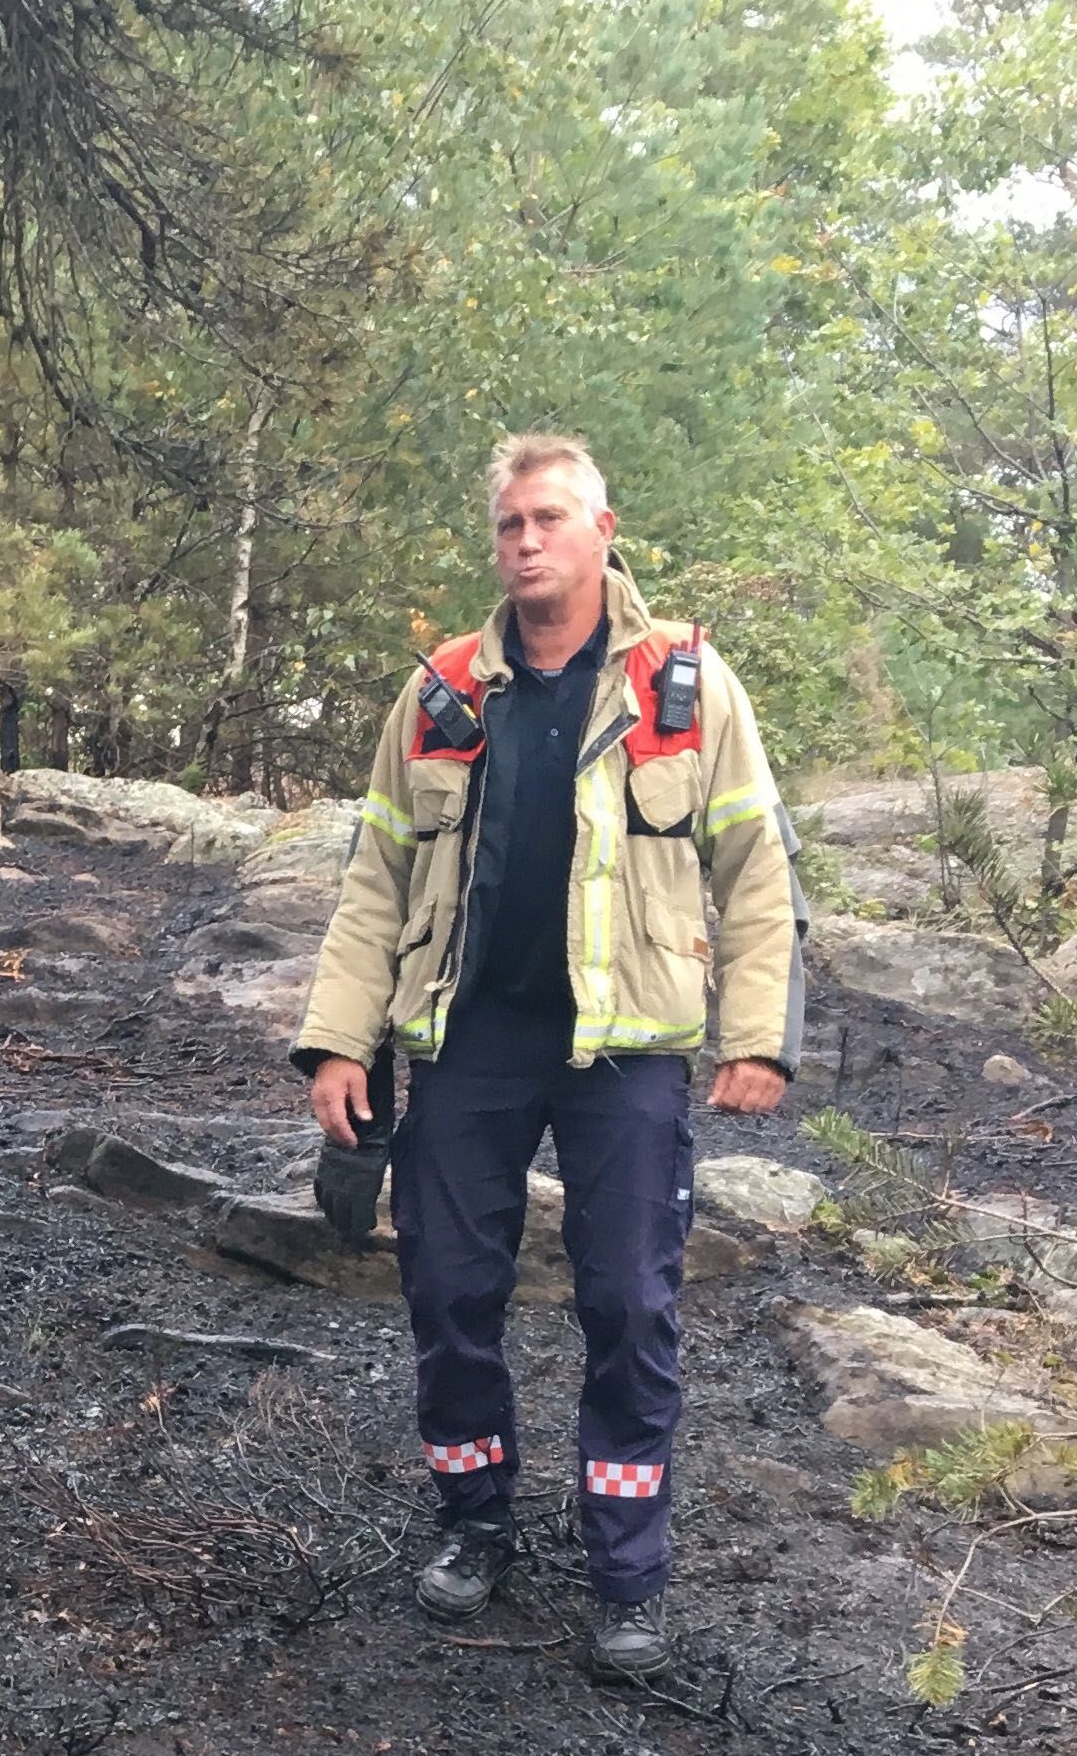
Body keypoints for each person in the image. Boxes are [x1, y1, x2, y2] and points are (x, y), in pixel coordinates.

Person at [292, 433, 806, 1679]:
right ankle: (474, 1521)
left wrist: (756, 1037)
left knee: (628, 1301)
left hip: (626, 1048)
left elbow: (755, 868)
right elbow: (375, 881)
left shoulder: (686, 685)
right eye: (511, 524)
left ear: (602, 530)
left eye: (551, 520)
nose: (528, 542)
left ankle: (628, 1575)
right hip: (470, 1035)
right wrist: (340, 1042)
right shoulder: (442, 691)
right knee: (446, 1288)